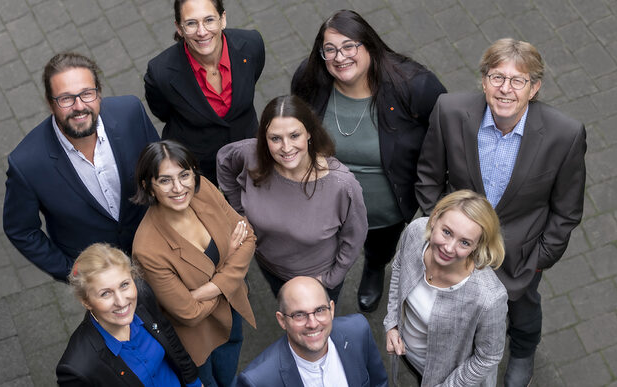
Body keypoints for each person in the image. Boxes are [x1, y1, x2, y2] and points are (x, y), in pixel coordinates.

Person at [416, 38, 587, 386]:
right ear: (483, 81)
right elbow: (428, 176)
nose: (505, 89)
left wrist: (540, 258)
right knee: (458, 308)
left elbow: (567, 210)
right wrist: (442, 229)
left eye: (517, 80)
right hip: (456, 249)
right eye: (497, 77)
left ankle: (523, 351)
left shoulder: (564, 134)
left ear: (534, 88)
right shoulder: (448, 110)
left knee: (523, 311)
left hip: (519, 258)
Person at [291, 9, 447, 312]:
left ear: (370, 46)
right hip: (326, 207)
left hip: (386, 212)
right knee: (326, 253)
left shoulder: (414, 85)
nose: (340, 57)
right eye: (330, 49)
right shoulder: (310, 79)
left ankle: (374, 269)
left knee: (379, 249)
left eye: (350, 46)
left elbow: (446, 134)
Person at [3, 52, 160, 281]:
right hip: (101, 280)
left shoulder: (130, 113)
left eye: (87, 94)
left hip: (159, 248)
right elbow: (21, 230)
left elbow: (161, 167)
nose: (79, 106)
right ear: (50, 103)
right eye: (66, 99)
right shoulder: (26, 164)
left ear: (99, 92)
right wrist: (72, 272)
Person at [217, 95, 367, 302]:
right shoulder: (251, 154)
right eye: (275, 138)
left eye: (294, 135)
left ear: (309, 133)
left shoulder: (342, 185)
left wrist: (332, 279)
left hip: (317, 280)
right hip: (269, 267)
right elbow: (224, 161)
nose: (286, 148)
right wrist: (238, 212)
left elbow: (354, 237)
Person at [131, 140, 256, 387]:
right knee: (208, 382)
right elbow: (189, 313)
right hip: (198, 338)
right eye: (165, 180)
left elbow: (248, 236)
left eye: (185, 175)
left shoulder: (205, 190)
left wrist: (205, 290)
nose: (179, 188)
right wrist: (230, 260)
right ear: (149, 186)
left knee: (230, 374)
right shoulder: (147, 248)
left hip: (231, 310)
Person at [384, 190, 507, 386]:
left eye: (464, 242)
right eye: (447, 232)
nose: (449, 248)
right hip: (408, 355)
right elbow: (399, 267)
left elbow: (488, 358)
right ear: (434, 220)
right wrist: (392, 323)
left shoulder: (489, 297)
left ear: (477, 246)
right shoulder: (416, 232)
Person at [144, 0, 265, 184]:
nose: (202, 32)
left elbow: (252, 78)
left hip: (247, 149)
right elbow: (162, 112)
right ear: (179, 27)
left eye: (209, 20)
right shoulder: (160, 73)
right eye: (191, 23)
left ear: (222, 19)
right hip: (197, 162)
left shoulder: (251, 44)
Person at [56, 243, 201, 387]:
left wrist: (194, 383)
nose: (121, 302)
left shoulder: (143, 296)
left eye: (124, 285)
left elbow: (171, 341)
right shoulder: (77, 369)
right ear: (86, 302)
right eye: (105, 293)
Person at [235, 276, 388, 387]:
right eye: (299, 315)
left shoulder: (358, 330)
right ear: (282, 320)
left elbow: (379, 383)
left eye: (320, 310)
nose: (313, 324)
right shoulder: (257, 381)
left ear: (332, 309)